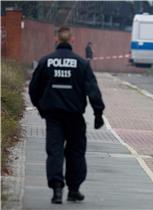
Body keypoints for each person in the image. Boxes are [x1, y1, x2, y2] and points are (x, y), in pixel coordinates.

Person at [29, 26, 105, 204]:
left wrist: (41, 108)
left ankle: (56, 190)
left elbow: (34, 89)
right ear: (72, 40)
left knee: (54, 151)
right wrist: (98, 114)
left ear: (56, 40)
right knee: (76, 152)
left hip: (53, 116)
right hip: (74, 116)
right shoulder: (81, 64)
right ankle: (73, 189)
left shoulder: (45, 62)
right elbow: (93, 91)